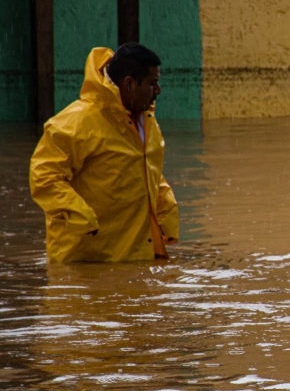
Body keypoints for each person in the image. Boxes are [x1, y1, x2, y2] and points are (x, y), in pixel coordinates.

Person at [29, 44, 179, 263]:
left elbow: (146, 170)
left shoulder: (146, 122)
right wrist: (80, 216)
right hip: (86, 259)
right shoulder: (76, 123)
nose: (158, 91)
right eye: (152, 83)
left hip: (136, 255)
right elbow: (44, 177)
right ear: (129, 84)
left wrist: (166, 211)